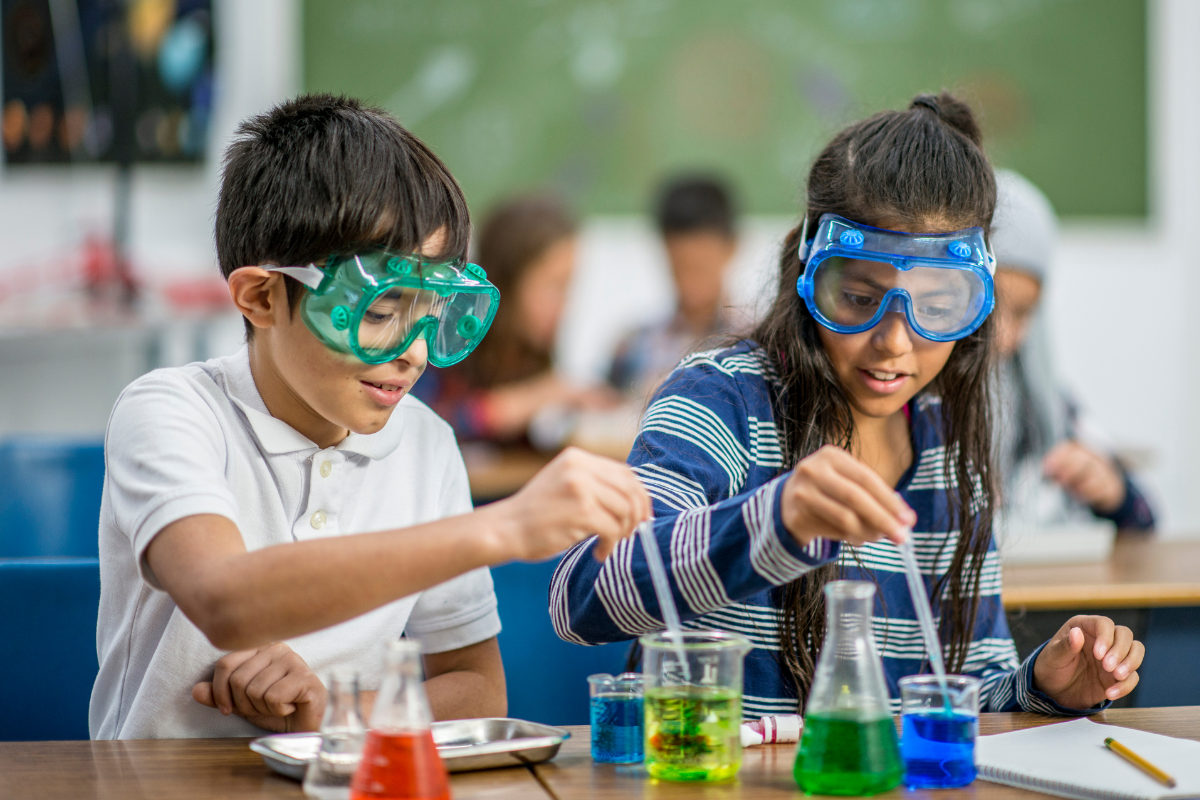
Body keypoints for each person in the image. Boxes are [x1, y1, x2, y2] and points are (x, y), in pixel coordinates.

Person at [551, 93, 1144, 718]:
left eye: (937, 307)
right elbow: (579, 598)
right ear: (810, 273)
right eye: (859, 297)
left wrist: (1040, 688)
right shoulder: (721, 399)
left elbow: (958, 688)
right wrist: (775, 520)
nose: (893, 341)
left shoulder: (947, 455)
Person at [89, 95, 650, 739]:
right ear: (262, 297)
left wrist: (333, 713)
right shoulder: (170, 411)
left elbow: (476, 687)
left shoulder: (426, 443)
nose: (413, 353)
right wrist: (503, 528)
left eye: (430, 312)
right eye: (380, 312)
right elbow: (226, 600)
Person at [990, 169, 1155, 534]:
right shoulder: (917, 404)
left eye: (1021, 313)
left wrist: (1109, 487)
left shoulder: (1048, 401)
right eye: (989, 304)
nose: (1002, 337)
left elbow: (1143, 517)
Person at [414, 194, 616, 443]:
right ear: (508, 282)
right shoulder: (443, 334)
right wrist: (533, 398)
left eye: (570, 287)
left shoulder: (529, 354)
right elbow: (421, 421)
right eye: (555, 286)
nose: (564, 305)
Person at [607, 175, 739, 398]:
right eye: (678, 268)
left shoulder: (758, 340)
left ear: (732, 247)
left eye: (701, 267)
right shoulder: (633, 346)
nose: (690, 284)